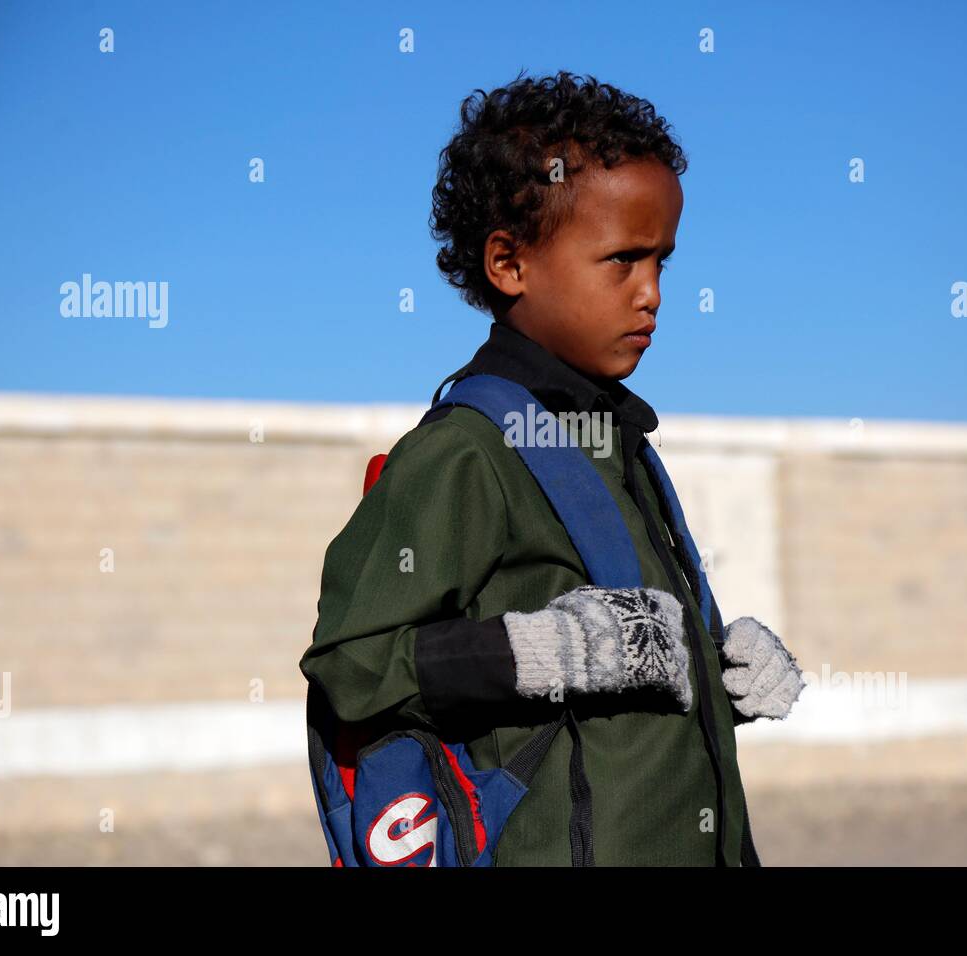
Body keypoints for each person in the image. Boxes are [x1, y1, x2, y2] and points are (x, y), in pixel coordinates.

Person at [299, 69, 804, 866]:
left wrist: (719, 667)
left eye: (663, 262)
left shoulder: (621, 446)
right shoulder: (466, 451)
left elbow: (623, 681)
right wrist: (537, 653)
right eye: (622, 260)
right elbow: (349, 664)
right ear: (508, 263)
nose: (653, 294)